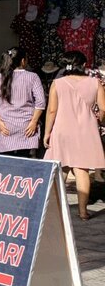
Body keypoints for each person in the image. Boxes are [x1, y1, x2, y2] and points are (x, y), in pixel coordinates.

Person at [44, 50, 105, 220]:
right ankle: (83, 211)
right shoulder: (95, 82)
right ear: (84, 65)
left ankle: (51, 209)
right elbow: (103, 109)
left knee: (61, 168)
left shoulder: (57, 83)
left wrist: (47, 132)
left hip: (62, 129)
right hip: (86, 130)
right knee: (82, 169)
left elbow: (52, 110)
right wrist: (99, 119)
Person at [0, 47, 46, 158]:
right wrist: (34, 122)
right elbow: (40, 102)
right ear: (23, 60)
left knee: (6, 162)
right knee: (24, 161)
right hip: (27, 126)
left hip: (5, 126)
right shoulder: (33, 77)